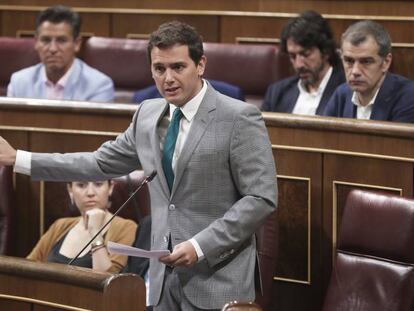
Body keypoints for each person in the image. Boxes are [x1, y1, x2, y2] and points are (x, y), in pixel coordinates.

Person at [0, 21, 277, 310]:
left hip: (217, 280)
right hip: (162, 282)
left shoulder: (239, 118)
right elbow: (98, 162)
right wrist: (18, 158)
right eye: (159, 69)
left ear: (200, 64)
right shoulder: (148, 114)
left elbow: (260, 199)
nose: (167, 78)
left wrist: (199, 246)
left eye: (178, 67)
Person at [7, 5, 114, 102]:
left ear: (77, 44)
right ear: (36, 43)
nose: (53, 49)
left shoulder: (99, 86)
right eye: (46, 40)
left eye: (61, 40)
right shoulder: (19, 82)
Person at [27, 180, 137, 273]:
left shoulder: (127, 228)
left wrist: (95, 233)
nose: (90, 193)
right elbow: (28, 268)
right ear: (70, 190)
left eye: (98, 184)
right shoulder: (60, 225)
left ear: (110, 188)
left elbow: (109, 283)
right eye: (81, 185)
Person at [323, 20, 414, 122]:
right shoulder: (341, 94)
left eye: (366, 62)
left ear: (386, 62)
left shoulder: (409, 97)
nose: (355, 71)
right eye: (349, 61)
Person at [262, 10, 345, 115]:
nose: (298, 64)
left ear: (325, 51)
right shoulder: (277, 92)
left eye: (306, 54)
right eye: (292, 56)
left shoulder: (346, 92)